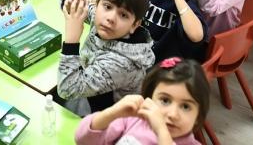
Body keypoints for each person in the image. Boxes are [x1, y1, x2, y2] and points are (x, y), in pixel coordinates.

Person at [57, 0, 154, 112]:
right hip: (87, 85)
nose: (111, 18)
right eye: (108, 6)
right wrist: (70, 4)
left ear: (134, 25)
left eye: (123, 15)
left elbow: (67, 89)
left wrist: (71, 41)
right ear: (97, 4)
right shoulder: (103, 21)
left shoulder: (121, 63)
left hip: (107, 113)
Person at [75, 57, 210, 145]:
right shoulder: (133, 120)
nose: (173, 114)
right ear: (149, 99)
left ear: (198, 116)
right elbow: (82, 139)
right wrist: (112, 112)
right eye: (165, 100)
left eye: (186, 106)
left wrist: (161, 132)